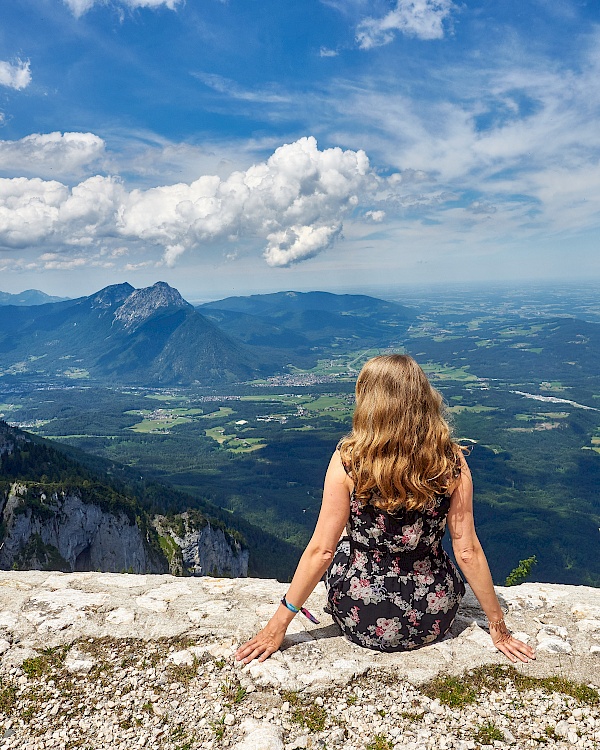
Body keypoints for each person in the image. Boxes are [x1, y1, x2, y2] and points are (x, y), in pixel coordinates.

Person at [235, 354, 535, 665]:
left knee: (340, 548)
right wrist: (498, 629)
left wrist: (277, 627)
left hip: (362, 616)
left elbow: (321, 552)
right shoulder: (451, 461)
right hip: (433, 613)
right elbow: (467, 551)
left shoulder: (349, 461)